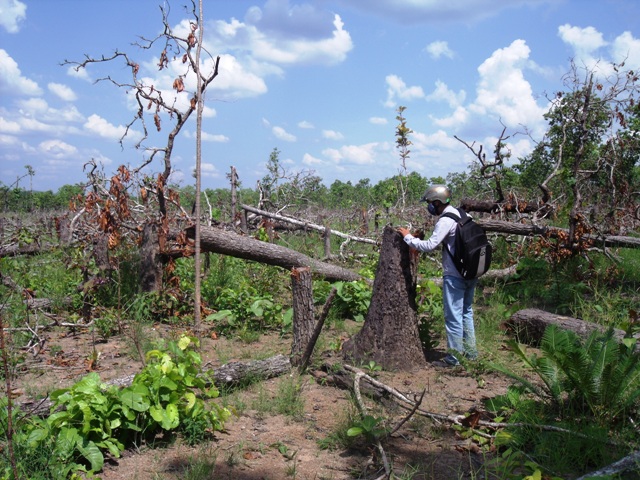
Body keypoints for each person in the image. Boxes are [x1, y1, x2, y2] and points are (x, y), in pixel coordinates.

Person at [397, 184, 478, 367]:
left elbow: (429, 245)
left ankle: (454, 359)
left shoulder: (445, 220)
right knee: (466, 312)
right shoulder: (464, 215)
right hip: (471, 272)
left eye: (430, 203)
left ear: (437, 202)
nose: (429, 207)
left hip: (455, 274)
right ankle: (471, 354)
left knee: (453, 317)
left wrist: (408, 237)